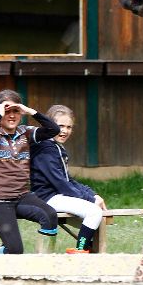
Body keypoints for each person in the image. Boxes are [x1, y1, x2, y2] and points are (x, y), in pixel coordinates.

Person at [0, 89, 60, 254]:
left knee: (50, 216)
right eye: (7, 111)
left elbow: (53, 129)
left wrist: (30, 111)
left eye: (16, 111)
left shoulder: (26, 132)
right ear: (0, 113)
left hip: (22, 196)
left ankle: (44, 263)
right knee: (15, 250)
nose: (12, 115)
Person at [31, 105, 106, 253]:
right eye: (60, 126)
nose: (65, 131)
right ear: (50, 126)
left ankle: (90, 250)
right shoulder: (46, 149)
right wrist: (90, 200)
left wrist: (92, 195)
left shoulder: (55, 147)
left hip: (57, 196)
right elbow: (61, 183)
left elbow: (68, 180)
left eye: (69, 127)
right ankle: (80, 251)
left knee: (97, 219)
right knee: (94, 213)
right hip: (48, 198)